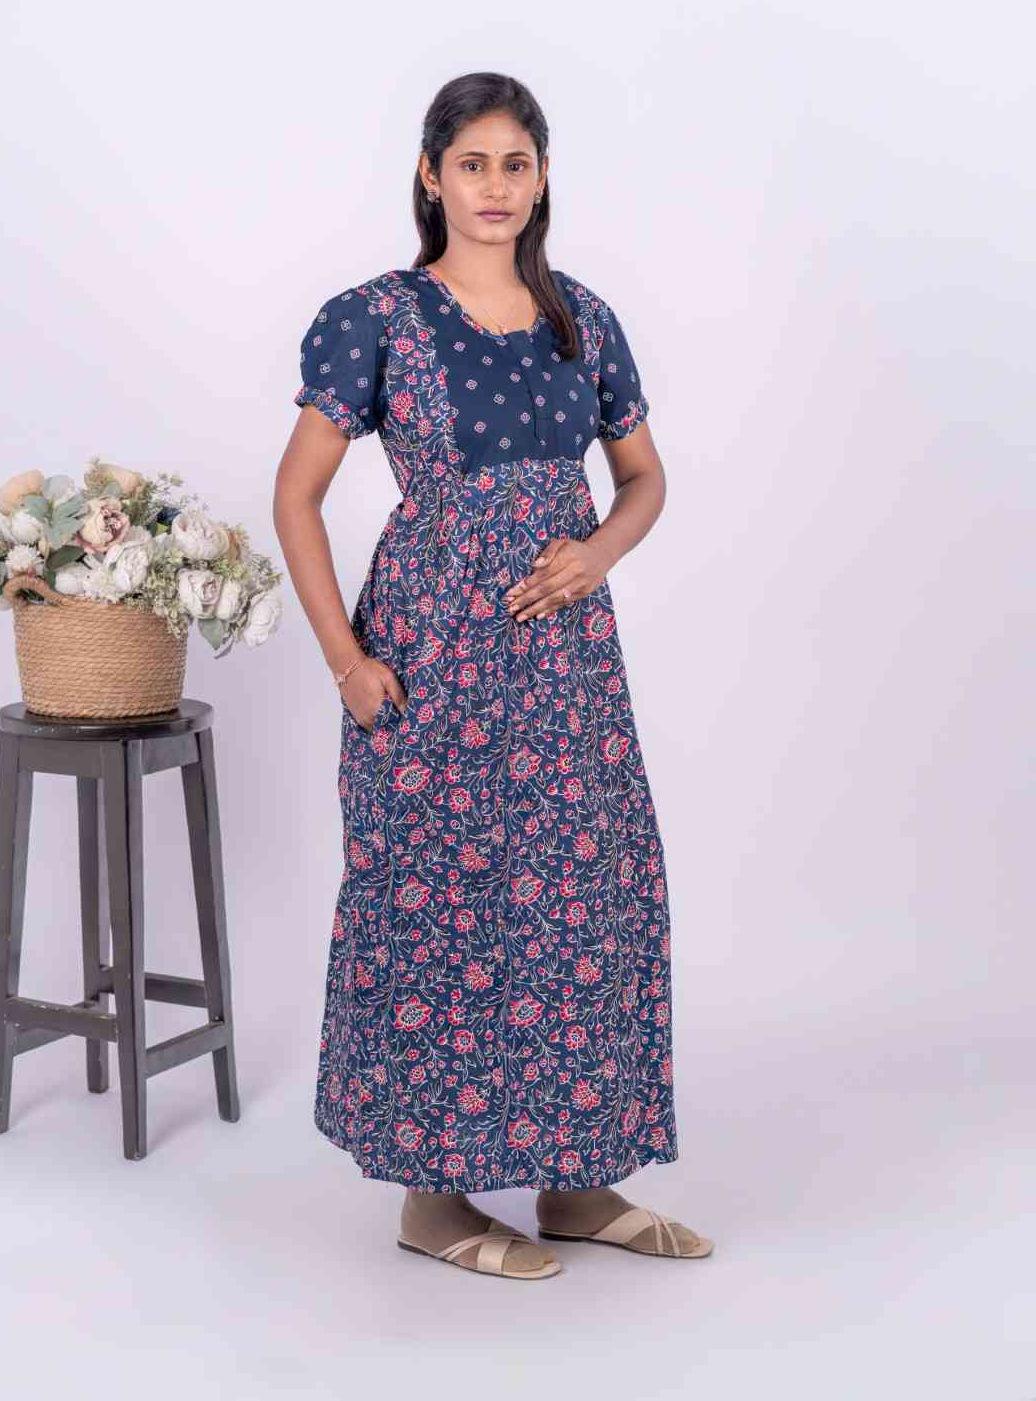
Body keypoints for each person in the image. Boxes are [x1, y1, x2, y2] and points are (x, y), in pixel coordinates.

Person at [273, 71, 714, 1280]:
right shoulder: (375, 317)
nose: (495, 186)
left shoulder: (582, 318)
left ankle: (578, 1180)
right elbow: (296, 498)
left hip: (566, 664)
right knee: (441, 901)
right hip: (430, 655)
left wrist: (596, 552)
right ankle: (435, 1201)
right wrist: (348, 662)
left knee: (585, 892)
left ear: (544, 175)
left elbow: (644, 479)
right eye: (472, 163)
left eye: (516, 163)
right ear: (431, 176)